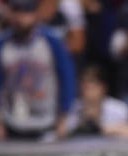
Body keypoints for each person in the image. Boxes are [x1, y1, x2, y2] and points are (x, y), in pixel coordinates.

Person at [0, 0, 77, 141]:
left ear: (35, 13)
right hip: (12, 123)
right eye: (16, 11)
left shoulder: (52, 42)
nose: (21, 17)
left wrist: (64, 115)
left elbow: (67, 78)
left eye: (26, 11)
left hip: (46, 124)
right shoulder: (3, 43)